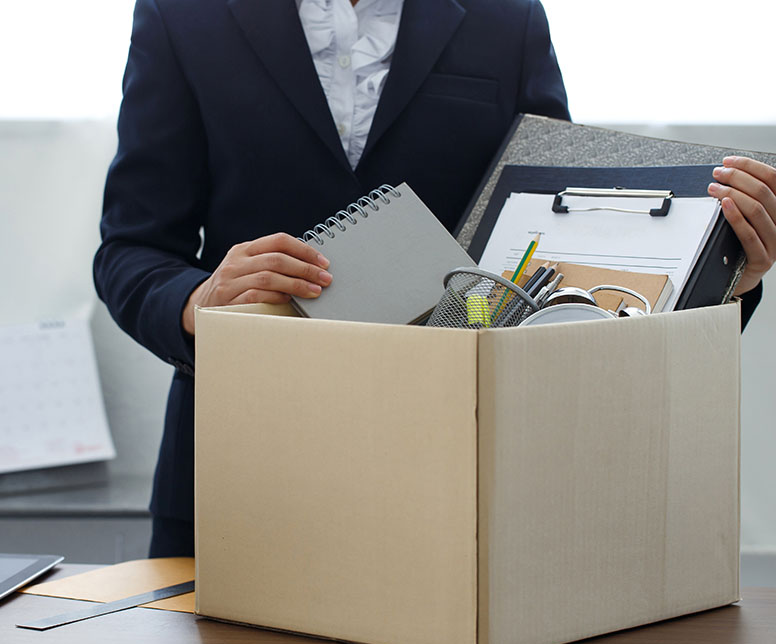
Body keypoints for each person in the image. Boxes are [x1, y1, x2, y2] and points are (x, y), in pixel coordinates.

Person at [94, 0, 774, 558]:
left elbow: (559, 253)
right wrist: (195, 299)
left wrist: (727, 273)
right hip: (238, 465)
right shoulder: (181, 15)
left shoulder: (507, 19)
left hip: (458, 473)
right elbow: (131, 248)